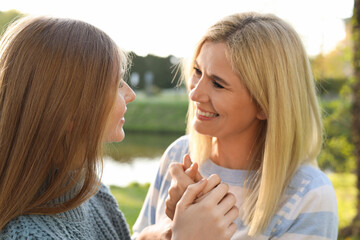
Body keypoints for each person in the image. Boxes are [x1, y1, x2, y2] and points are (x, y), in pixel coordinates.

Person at [0, 16, 238, 239]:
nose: (131, 94)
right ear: (69, 109)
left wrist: (168, 231)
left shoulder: (87, 188)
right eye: (116, 84)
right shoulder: (27, 233)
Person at [133, 12, 339, 239]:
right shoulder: (179, 154)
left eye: (218, 84)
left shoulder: (309, 194)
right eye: (197, 71)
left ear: (265, 104)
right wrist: (171, 228)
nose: (194, 93)